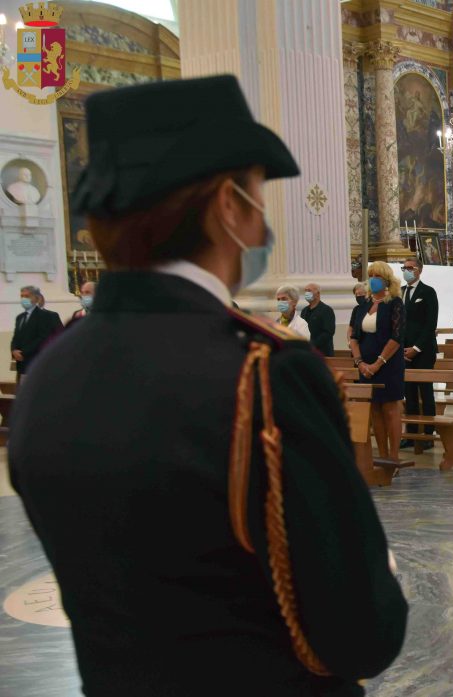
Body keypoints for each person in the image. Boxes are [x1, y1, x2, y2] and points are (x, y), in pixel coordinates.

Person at [8, 75, 406, 696]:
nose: (260, 215)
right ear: (226, 206)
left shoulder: (49, 371)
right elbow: (362, 632)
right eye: (255, 193)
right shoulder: (265, 374)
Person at [350, 261, 406, 461]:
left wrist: (378, 363)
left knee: (390, 409)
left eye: (377, 277)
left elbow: (396, 337)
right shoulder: (362, 306)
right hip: (365, 366)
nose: (373, 280)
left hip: (388, 365)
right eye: (371, 276)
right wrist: (360, 362)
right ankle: (382, 455)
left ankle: (393, 456)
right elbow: (353, 336)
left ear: (387, 281)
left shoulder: (394, 303)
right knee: (374, 409)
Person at [399, 257, 439, 450]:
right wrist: (401, 349)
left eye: (409, 268)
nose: (406, 271)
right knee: (409, 393)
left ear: (419, 270)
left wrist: (415, 348)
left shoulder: (428, 292)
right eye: (403, 268)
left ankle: (428, 434)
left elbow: (430, 325)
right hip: (403, 351)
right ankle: (412, 433)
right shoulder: (400, 292)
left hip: (423, 351)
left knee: (425, 391)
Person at [11, 284, 63, 379]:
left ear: (36, 298)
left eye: (27, 296)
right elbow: (16, 337)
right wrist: (14, 350)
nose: (23, 299)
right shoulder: (20, 317)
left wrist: (23, 353)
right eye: (22, 296)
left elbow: (42, 337)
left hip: (36, 360)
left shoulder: (45, 316)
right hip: (21, 364)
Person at [300, 282, 336, 356]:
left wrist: (312, 344)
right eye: (305, 291)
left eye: (309, 291)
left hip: (323, 353)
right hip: (306, 352)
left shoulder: (326, 310)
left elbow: (328, 332)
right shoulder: (304, 311)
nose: (306, 293)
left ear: (318, 294)